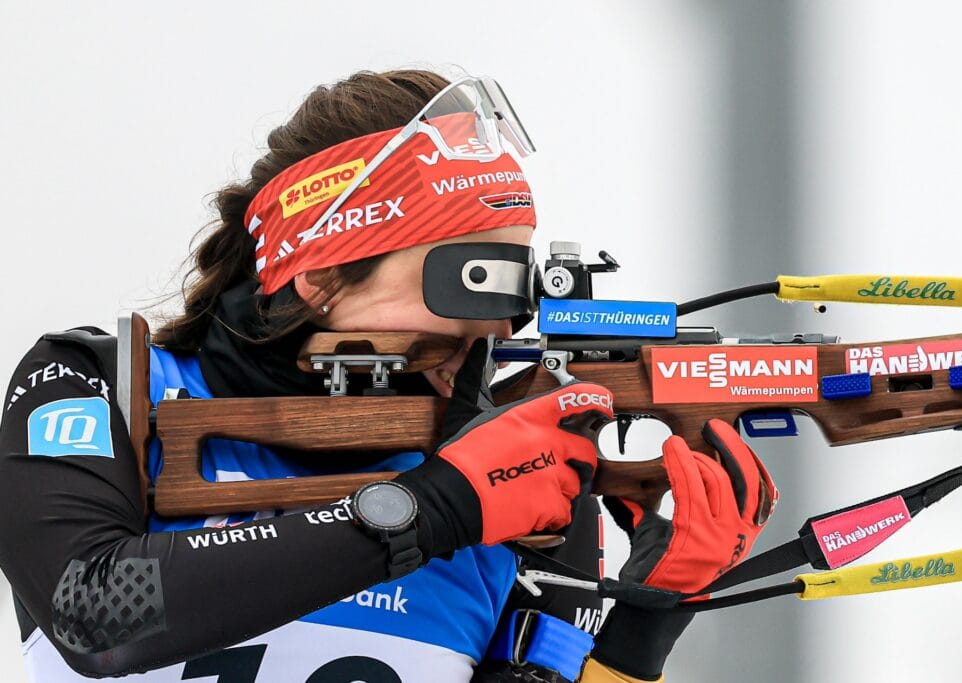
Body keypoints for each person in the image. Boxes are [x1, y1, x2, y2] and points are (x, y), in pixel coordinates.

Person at [0, 69, 777, 682]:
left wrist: (644, 624)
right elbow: (95, 612)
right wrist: (430, 509)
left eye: (511, 289)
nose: (490, 331)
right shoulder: (102, 383)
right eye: (462, 280)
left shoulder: (505, 465)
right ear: (322, 273)